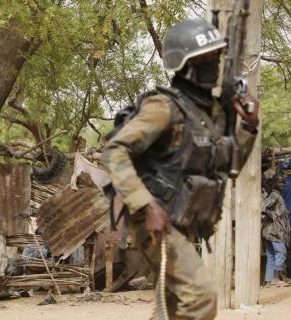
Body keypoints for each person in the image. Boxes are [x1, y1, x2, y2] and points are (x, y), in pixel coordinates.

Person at [102, 20, 259, 319]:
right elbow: (114, 151)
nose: (214, 64)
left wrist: (249, 125)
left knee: (173, 308)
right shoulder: (164, 107)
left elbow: (230, 165)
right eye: (205, 58)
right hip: (155, 219)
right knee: (200, 299)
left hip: (184, 221)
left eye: (216, 57)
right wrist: (146, 205)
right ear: (185, 64)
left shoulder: (208, 114)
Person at [262, 174, 290, 285]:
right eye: (280, 182)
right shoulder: (275, 195)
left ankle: (268, 281)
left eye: (284, 182)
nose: (283, 184)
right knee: (281, 252)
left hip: (270, 231)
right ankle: (275, 278)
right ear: (274, 184)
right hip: (275, 231)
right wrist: (272, 215)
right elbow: (262, 207)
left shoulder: (277, 195)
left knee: (271, 256)